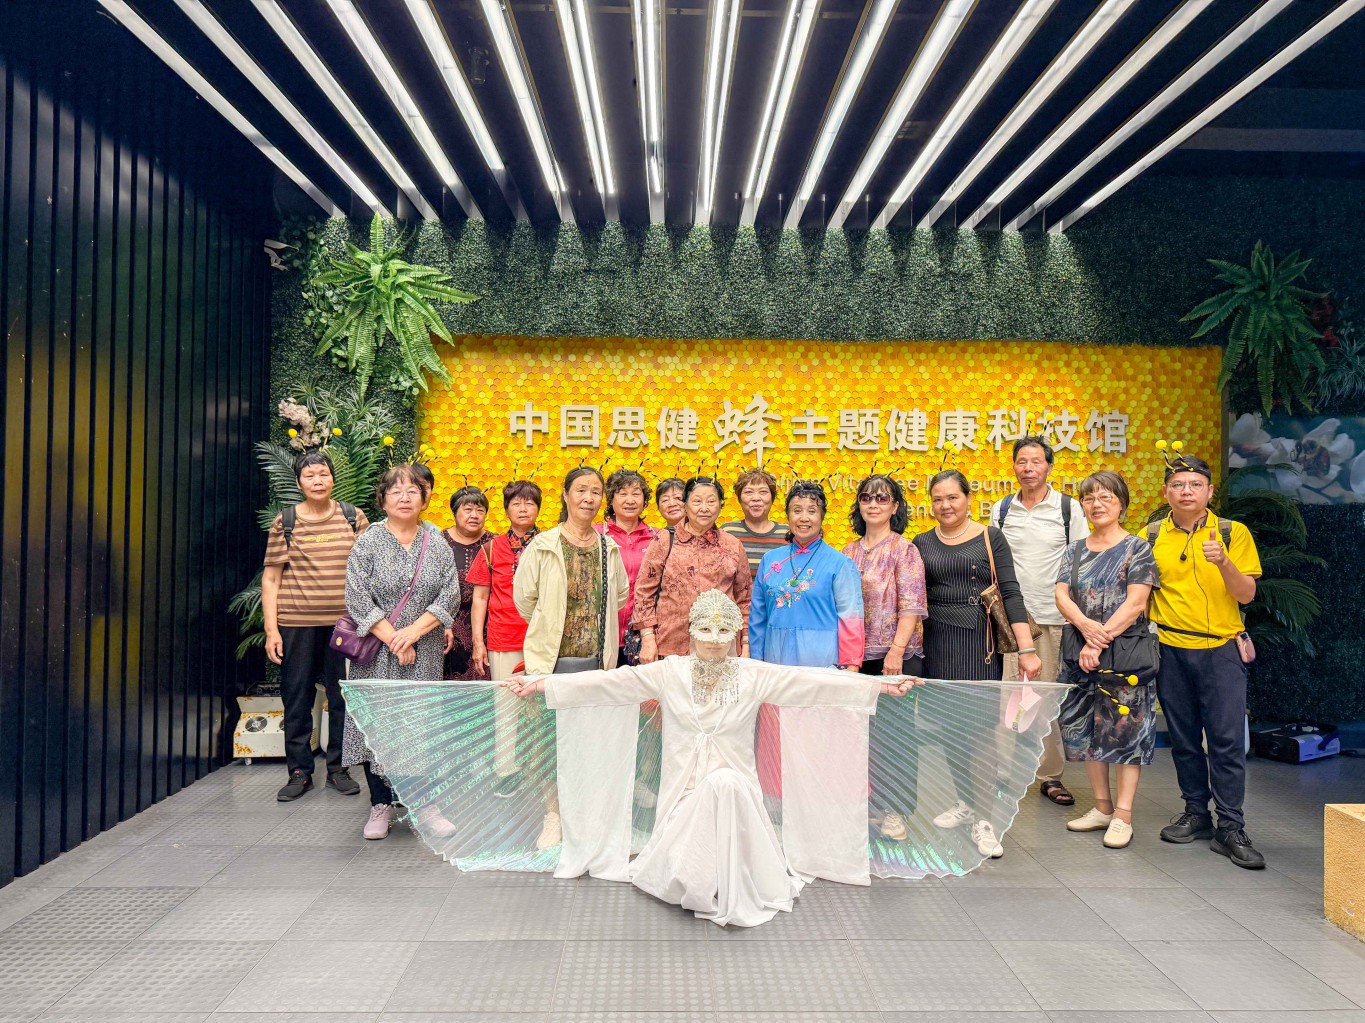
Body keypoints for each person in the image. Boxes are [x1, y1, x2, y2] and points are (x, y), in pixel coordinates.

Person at [505, 590, 915, 927]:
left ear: (736, 633)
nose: (715, 638)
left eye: (724, 629)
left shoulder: (753, 674)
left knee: (727, 782)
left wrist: (878, 687)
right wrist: (541, 685)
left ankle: (728, 878)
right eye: (705, 628)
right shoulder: (669, 672)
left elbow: (813, 683)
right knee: (714, 798)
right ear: (691, 632)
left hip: (739, 802)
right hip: (682, 801)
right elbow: (610, 683)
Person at [914, 469, 1040, 859]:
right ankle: (966, 803)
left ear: (968, 499)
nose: (945, 505)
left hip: (977, 645)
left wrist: (1025, 649)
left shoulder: (990, 537)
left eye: (952, 497)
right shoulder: (921, 542)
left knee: (981, 733)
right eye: (938, 499)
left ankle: (985, 820)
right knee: (951, 731)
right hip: (937, 644)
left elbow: (1010, 592)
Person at [1148, 453, 1265, 868]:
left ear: (1209, 491)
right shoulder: (1150, 536)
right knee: (1183, 739)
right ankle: (1196, 813)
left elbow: (1247, 594)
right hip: (1170, 649)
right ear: (1166, 492)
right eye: (1178, 485)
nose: (1186, 491)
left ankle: (1230, 826)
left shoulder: (1232, 533)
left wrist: (1224, 561)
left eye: (1195, 485)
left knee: (1226, 740)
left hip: (1221, 650)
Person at [512, 466, 630, 849]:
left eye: (595, 492)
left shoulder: (608, 548)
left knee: (589, 743)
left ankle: (584, 814)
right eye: (581, 490)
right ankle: (553, 815)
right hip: (551, 664)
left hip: (595, 664)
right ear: (565, 495)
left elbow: (621, 597)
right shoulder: (544, 545)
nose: (588, 498)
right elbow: (524, 600)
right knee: (550, 744)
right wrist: (551, 626)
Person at [341, 462, 459, 840]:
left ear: (424, 499)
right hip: (377, 651)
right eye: (396, 491)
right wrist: (394, 638)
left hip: (424, 651)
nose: (404, 497)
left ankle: (425, 805)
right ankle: (380, 804)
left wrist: (412, 634)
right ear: (383, 500)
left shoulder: (436, 543)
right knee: (378, 725)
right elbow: (357, 597)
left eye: (412, 491)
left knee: (421, 725)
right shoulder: (368, 542)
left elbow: (449, 595)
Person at [1053, 471, 1160, 849]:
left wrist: (1096, 642)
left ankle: (1123, 815)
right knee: (1086, 731)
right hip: (1079, 654)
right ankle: (1102, 808)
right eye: (1089, 498)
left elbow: (1136, 603)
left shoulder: (1137, 548)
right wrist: (1084, 626)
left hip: (1124, 655)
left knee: (1125, 731)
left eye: (1106, 497)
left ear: (1121, 504)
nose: (1096, 504)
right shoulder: (1074, 550)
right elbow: (1061, 595)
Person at [261, 451, 369, 801]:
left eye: (323, 474)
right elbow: (271, 578)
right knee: (297, 698)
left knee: (342, 698)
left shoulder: (353, 517)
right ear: (299, 483)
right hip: (297, 624)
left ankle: (339, 768)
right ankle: (299, 772)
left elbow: (369, 572)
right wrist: (272, 629)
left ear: (332, 478)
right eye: (310, 476)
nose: (317, 481)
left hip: (346, 626)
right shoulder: (286, 521)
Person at [750, 481, 865, 801]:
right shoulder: (770, 561)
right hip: (777, 661)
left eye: (811, 511)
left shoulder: (839, 563)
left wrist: (851, 664)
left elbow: (851, 616)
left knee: (818, 731)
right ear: (787, 516)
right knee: (779, 731)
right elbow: (758, 615)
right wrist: (757, 662)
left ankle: (820, 798)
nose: (804, 517)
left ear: (822, 516)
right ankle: (779, 798)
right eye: (797, 510)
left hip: (821, 661)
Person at [990, 436, 1089, 807]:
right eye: (1021, 461)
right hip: (1010, 621)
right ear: (1013, 466)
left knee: (1044, 700)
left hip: (1051, 619)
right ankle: (1003, 775)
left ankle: (1050, 775)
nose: (1028, 468)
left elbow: (1081, 562)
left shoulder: (1068, 508)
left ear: (1049, 466)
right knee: (1007, 699)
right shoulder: (1002, 510)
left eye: (1036, 461)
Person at [842, 474, 926, 840]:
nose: (873, 504)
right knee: (861, 735)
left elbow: (912, 607)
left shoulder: (904, 550)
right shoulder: (848, 551)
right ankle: (868, 806)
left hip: (896, 657)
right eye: (866, 498)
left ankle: (896, 811)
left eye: (882, 498)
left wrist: (896, 652)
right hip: (856, 658)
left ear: (895, 506)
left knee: (897, 735)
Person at [466, 480, 541, 798]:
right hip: (503, 639)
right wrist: (478, 642)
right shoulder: (490, 549)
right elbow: (480, 598)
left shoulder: (550, 544)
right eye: (516, 503)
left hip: (544, 643)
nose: (523, 509)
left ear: (539, 508)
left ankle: (541, 770)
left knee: (543, 709)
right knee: (507, 710)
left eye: (529, 503)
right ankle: (507, 770)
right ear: (507, 509)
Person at [633, 477, 753, 662]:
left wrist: (745, 643)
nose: (704, 508)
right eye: (697, 501)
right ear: (685, 506)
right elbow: (644, 592)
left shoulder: (732, 545)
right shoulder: (664, 541)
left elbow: (744, 599)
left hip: (721, 647)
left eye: (711, 502)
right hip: (671, 646)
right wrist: (648, 639)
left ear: (720, 506)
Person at [595, 469, 657, 663]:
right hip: (603, 635)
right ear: (611, 500)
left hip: (644, 638)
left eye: (636, 494)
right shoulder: (596, 535)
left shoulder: (657, 537)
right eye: (622, 494)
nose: (630, 500)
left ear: (644, 501)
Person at [441, 485, 495, 682]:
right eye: (468, 509)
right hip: (445, 627)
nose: (474, 515)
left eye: (480, 510)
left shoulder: (494, 544)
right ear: (455, 512)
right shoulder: (438, 543)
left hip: (487, 627)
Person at [722, 468, 787, 579]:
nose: (756, 498)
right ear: (739, 499)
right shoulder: (727, 532)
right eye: (748, 492)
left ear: (772, 498)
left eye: (763, 492)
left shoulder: (787, 534)